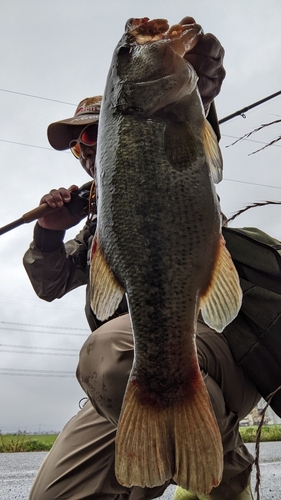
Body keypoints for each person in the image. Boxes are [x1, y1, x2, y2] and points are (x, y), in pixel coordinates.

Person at [23, 18, 259, 500]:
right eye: (77, 146)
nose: (85, 150)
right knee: (54, 493)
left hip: (203, 346)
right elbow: (48, 285)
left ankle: (220, 448)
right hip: (128, 378)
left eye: (92, 136)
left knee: (107, 354)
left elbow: (185, 149)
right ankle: (172, 440)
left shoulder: (163, 136)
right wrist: (48, 234)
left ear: (113, 127)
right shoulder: (97, 229)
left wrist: (200, 95)